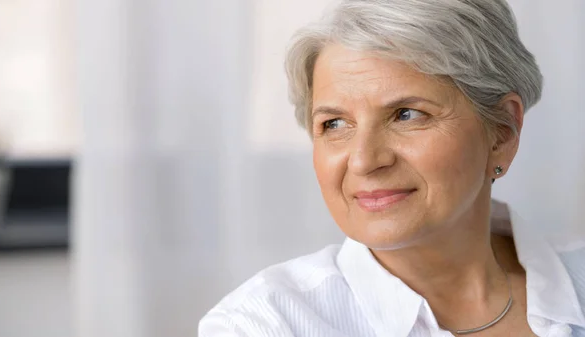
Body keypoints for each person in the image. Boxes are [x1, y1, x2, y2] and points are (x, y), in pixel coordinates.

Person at [199, 0, 585, 336]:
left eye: (407, 114)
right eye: (334, 124)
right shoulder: (263, 324)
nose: (365, 160)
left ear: (501, 132)